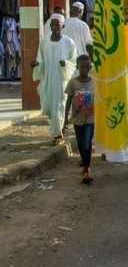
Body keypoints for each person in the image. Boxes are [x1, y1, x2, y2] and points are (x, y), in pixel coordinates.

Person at [32, 14, 77, 145]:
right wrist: (36, 65)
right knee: (48, 106)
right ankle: (57, 131)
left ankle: (58, 134)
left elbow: (74, 61)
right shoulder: (44, 42)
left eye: (57, 24)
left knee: (59, 106)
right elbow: (40, 60)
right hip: (47, 79)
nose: (54, 27)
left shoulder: (69, 42)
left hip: (61, 80)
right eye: (52, 24)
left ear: (62, 26)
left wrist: (66, 64)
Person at [64, 55, 95, 184]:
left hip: (90, 119)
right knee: (81, 144)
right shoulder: (73, 83)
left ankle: (87, 169)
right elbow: (68, 100)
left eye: (87, 66)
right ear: (77, 67)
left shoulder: (94, 82)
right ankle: (85, 162)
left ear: (90, 67)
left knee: (87, 143)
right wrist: (65, 117)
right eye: (82, 67)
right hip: (77, 119)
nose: (84, 69)